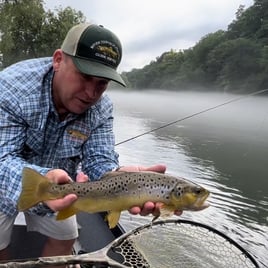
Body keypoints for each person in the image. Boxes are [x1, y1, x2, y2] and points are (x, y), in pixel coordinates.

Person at [0, 23, 182, 265]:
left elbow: (99, 160)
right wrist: (43, 182)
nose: (91, 93)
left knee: (66, 237)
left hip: (61, 187)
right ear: (57, 60)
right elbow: (2, 159)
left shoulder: (101, 108)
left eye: (102, 83)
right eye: (85, 76)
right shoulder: (10, 89)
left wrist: (117, 176)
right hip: (4, 178)